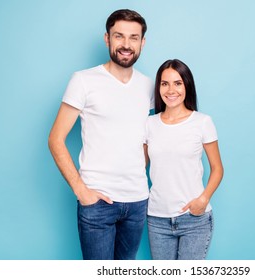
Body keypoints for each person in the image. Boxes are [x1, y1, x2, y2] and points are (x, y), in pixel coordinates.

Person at [48, 9, 153, 260]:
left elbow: (152, 134)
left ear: (142, 42)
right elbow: (55, 139)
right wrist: (81, 191)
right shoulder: (84, 81)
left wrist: (138, 166)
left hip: (138, 201)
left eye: (133, 37)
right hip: (97, 203)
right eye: (119, 36)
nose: (126, 45)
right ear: (107, 38)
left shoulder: (149, 86)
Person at [144, 59, 224, 260]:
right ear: (159, 87)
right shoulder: (149, 124)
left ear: (187, 85)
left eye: (178, 83)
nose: (171, 90)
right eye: (165, 83)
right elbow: (138, 167)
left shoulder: (202, 122)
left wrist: (203, 199)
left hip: (194, 219)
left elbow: (217, 168)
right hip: (157, 219)